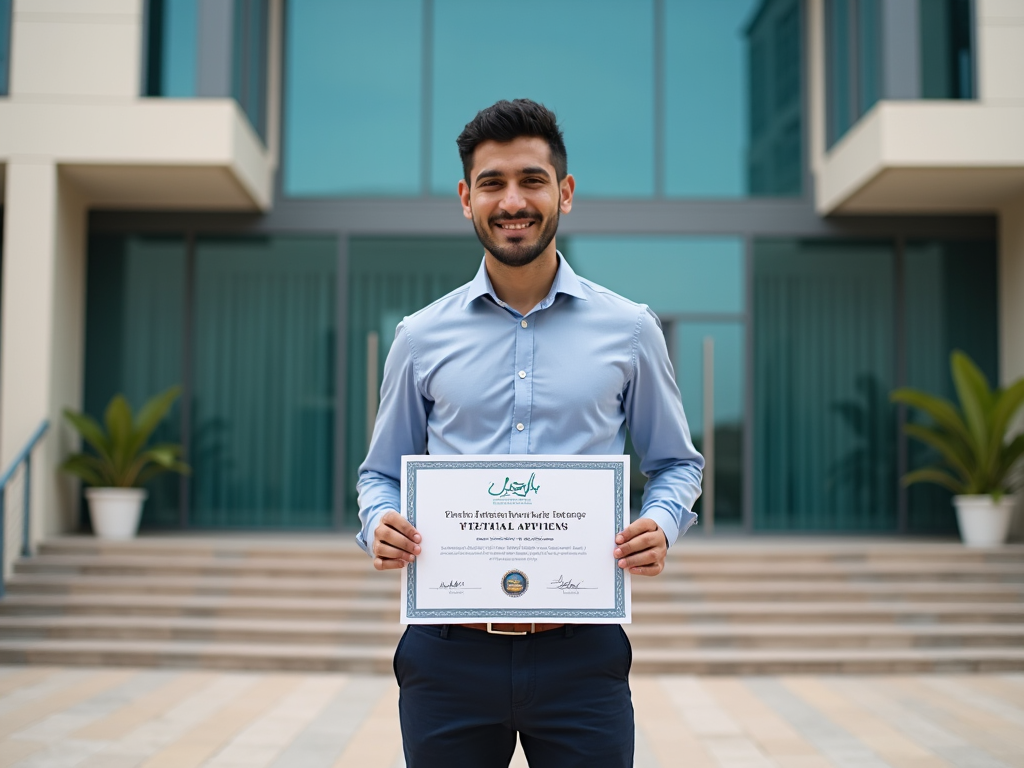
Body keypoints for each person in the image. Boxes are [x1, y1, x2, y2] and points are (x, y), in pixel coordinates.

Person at [357, 98, 703, 768]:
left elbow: (676, 464)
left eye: (531, 180)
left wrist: (661, 523)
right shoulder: (419, 337)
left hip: (582, 651)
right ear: (466, 198)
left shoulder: (629, 329)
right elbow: (380, 474)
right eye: (492, 183)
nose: (512, 200)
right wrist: (380, 523)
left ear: (564, 193)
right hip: (447, 652)